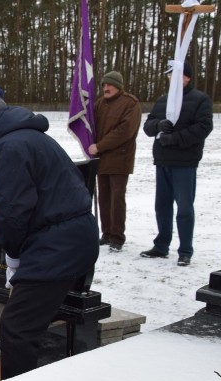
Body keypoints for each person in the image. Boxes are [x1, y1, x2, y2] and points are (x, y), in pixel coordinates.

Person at [0, 91, 99, 378]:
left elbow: (14, 210)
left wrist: (12, 254)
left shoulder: (9, 147)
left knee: (17, 327)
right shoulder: (30, 137)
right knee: (26, 320)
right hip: (71, 239)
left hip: (58, 245)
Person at [140, 61, 213, 266]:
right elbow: (147, 126)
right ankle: (162, 245)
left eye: (175, 75)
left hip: (185, 162)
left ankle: (185, 250)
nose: (170, 79)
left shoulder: (200, 100)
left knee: (184, 208)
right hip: (162, 160)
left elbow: (203, 127)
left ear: (187, 77)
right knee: (162, 206)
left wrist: (176, 139)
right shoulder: (162, 100)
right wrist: (157, 125)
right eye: (169, 75)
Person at [88, 71, 141, 252]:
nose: (105, 88)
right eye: (103, 85)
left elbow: (125, 131)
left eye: (109, 85)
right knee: (104, 197)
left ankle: (117, 236)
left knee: (117, 198)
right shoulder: (100, 104)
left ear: (118, 86)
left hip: (120, 158)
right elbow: (91, 125)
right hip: (102, 159)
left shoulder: (130, 103)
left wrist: (100, 146)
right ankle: (107, 233)